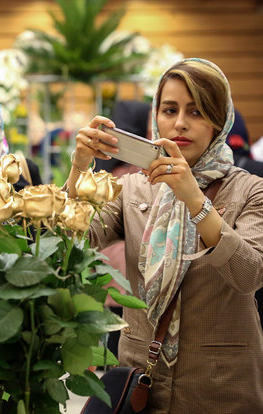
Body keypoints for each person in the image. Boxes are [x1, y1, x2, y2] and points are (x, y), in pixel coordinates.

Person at [68, 58, 263, 412]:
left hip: (219, 388)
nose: (179, 124)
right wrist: (79, 169)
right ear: (155, 116)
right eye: (169, 109)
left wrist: (194, 199)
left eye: (198, 111)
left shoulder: (251, 190)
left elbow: (249, 274)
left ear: (221, 121)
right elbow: (73, 237)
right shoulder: (133, 188)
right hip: (141, 381)